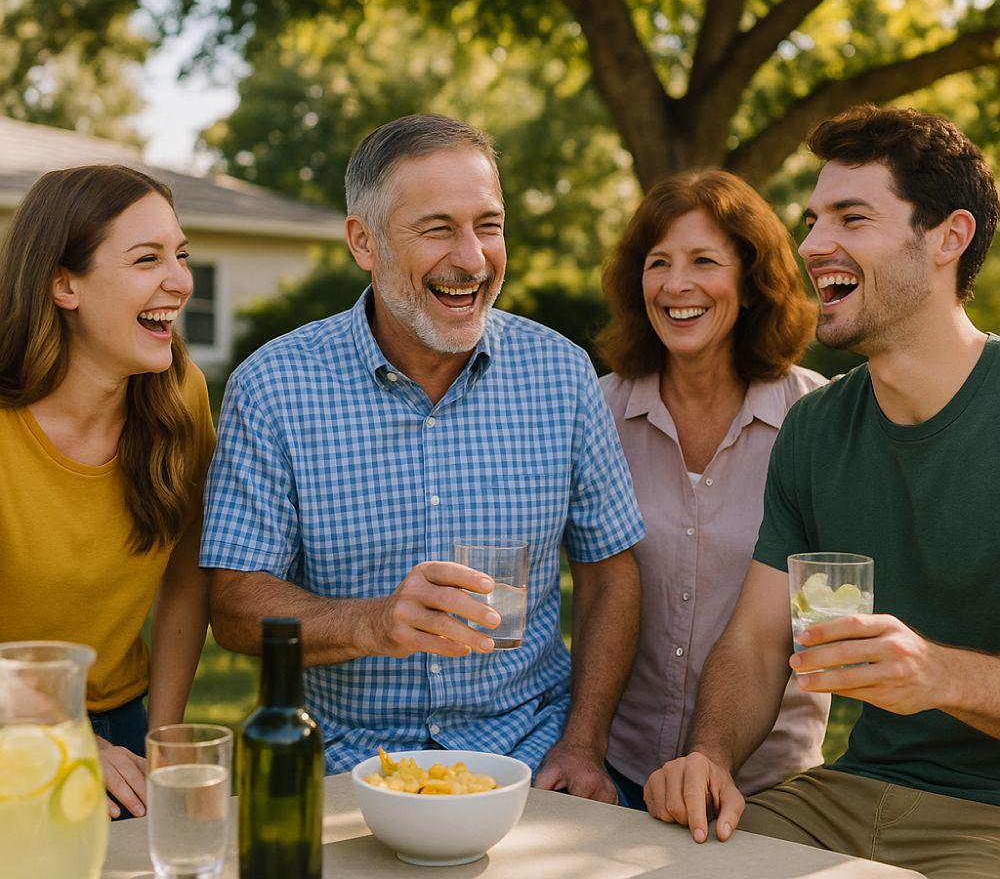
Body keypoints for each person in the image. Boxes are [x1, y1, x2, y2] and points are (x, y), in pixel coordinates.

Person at [201, 113, 645, 800]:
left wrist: (583, 745)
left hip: (529, 755)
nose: (471, 258)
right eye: (437, 228)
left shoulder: (561, 374)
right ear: (363, 242)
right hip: (347, 764)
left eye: (488, 224)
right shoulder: (275, 387)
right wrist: (374, 622)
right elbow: (232, 606)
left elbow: (611, 572)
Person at [645, 106, 1000, 878]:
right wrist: (709, 757)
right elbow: (756, 644)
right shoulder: (814, 428)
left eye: (852, 217)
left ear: (949, 237)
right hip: (843, 795)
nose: (811, 245)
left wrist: (939, 675)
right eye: (811, 220)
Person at [597, 170, 829, 810]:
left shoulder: (818, 417)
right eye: (658, 263)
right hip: (619, 774)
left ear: (753, 282)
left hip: (773, 790)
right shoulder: (598, 413)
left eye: (704, 261)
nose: (677, 285)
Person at [0, 164, 215, 819]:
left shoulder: (181, 397)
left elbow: (187, 575)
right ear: (64, 283)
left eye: (179, 255)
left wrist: (166, 737)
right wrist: (56, 740)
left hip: (120, 729)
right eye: (146, 258)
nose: (178, 280)